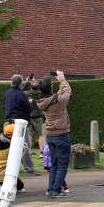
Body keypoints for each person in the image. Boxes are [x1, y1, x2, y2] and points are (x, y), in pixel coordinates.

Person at [36, 70, 72, 199]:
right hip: (61, 135)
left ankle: (51, 189)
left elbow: (58, 97)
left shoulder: (43, 100)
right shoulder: (57, 100)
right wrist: (62, 79)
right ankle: (56, 190)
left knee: (54, 165)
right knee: (62, 165)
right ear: (51, 87)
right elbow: (67, 93)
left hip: (50, 136)